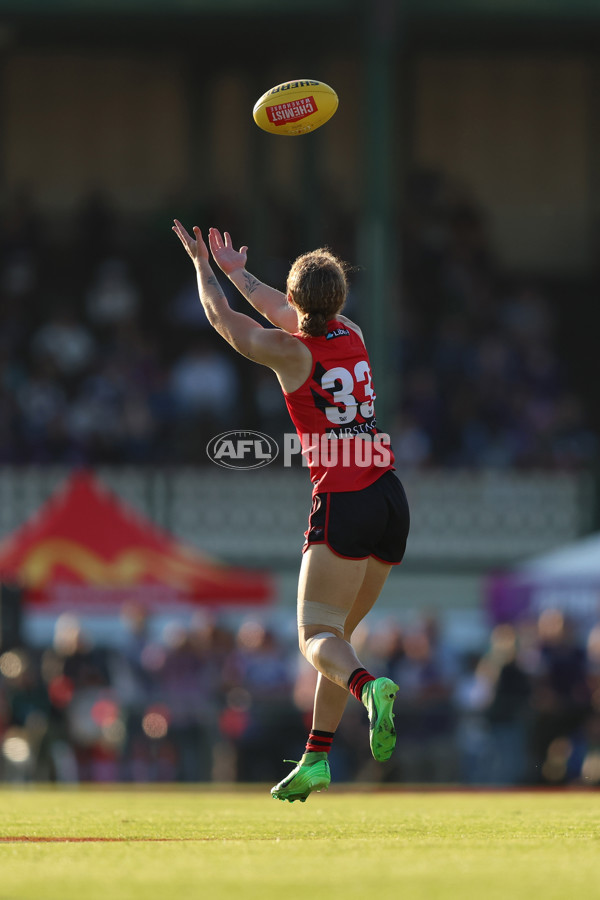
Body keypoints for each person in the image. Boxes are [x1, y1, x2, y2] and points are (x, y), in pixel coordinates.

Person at [172, 221, 410, 802]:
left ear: (298, 301)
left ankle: (370, 687)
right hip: (388, 496)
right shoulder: (351, 332)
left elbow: (226, 322)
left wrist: (206, 271)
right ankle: (317, 759)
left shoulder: (290, 353)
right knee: (341, 634)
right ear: (339, 302)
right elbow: (282, 305)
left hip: (344, 499)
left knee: (313, 638)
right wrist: (236, 271)